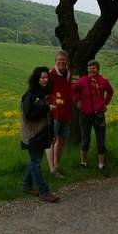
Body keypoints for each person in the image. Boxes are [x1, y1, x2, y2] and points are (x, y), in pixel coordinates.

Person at [20, 66, 60, 203]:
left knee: (35, 162)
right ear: (36, 79)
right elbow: (29, 114)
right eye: (42, 77)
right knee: (36, 163)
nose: (45, 80)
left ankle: (26, 186)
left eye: (46, 77)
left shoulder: (45, 94)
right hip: (32, 134)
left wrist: (52, 133)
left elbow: (49, 116)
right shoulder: (30, 95)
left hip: (43, 133)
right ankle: (44, 192)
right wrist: (46, 107)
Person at [72, 60, 114, 171]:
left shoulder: (103, 81)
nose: (92, 69)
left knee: (101, 140)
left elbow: (110, 92)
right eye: (90, 67)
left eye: (94, 67)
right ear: (87, 69)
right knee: (85, 140)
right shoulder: (82, 81)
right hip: (85, 114)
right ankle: (83, 163)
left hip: (99, 115)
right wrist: (77, 101)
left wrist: (105, 103)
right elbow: (73, 90)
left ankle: (101, 165)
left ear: (98, 69)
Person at [46, 50, 73, 178]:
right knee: (52, 140)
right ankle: (52, 169)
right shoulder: (51, 74)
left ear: (67, 61)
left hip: (66, 112)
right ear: (56, 61)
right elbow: (46, 91)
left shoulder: (68, 73)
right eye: (59, 60)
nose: (62, 62)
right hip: (55, 113)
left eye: (64, 60)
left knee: (62, 140)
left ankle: (57, 164)